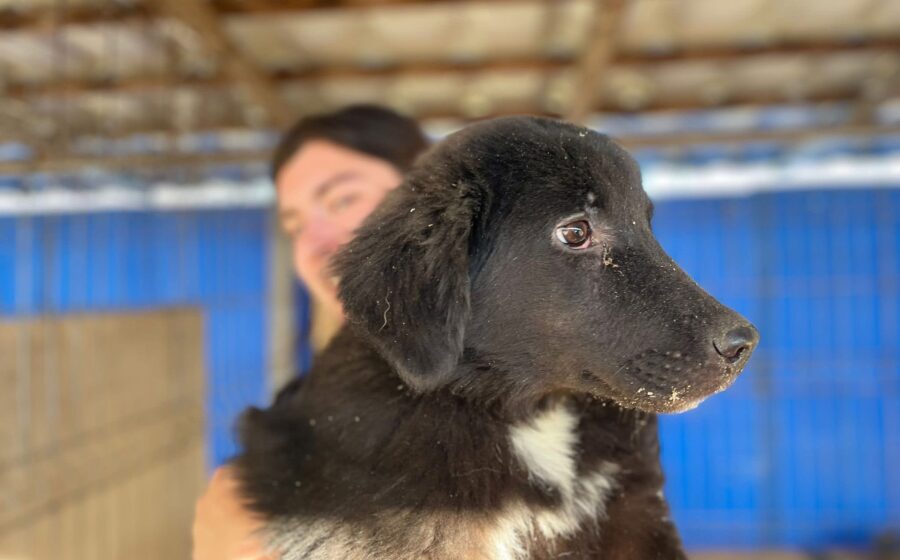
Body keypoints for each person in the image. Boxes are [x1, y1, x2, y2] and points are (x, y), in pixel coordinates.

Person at [192, 105, 430, 560]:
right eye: (295, 226)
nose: (312, 247)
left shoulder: (537, 364)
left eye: (342, 200)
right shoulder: (302, 413)